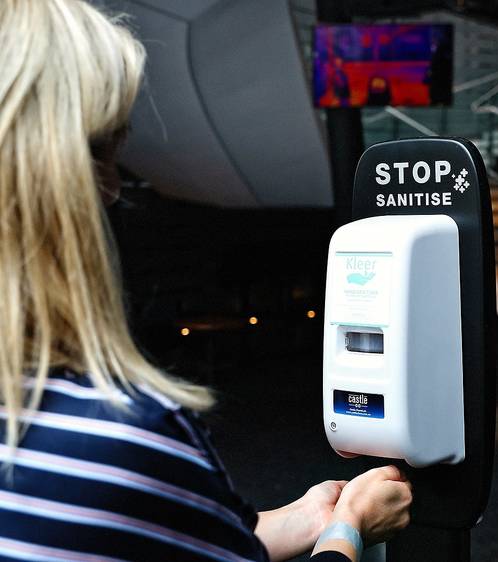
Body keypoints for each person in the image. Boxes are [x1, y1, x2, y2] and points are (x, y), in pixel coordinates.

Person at [0, 1, 412, 561]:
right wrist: (351, 528)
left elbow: (148, 536)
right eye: (106, 152)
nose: (116, 189)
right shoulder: (122, 437)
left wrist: (304, 519)